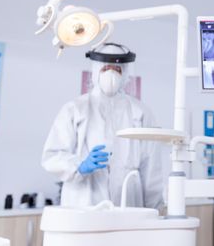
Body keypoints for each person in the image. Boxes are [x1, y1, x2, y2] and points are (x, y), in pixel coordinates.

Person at [42, 43, 164, 210]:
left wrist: (154, 210)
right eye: (106, 68)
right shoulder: (75, 109)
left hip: (129, 206)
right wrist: (79, 166)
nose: (111, 74)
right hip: (84, 204)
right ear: (96, 71)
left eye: (117, 69)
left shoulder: (141, 113)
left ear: (125, 73)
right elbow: (52, 156)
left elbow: (152, 169)